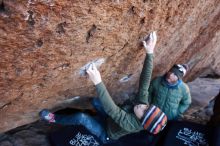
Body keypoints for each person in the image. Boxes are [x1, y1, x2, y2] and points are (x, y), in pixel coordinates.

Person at [39, 32, 167, 144]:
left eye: (144, 112)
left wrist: (98, 82)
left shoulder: (131, 125)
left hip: (106, 132)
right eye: (147, 107)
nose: (142, 106)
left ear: (142, 121)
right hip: (110, 119)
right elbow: (145, 82)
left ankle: (54, 118)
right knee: (95, 101)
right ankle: (92, 114)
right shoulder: (143, 106)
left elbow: (114, 111)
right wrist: (150, 53)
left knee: (81, 118)